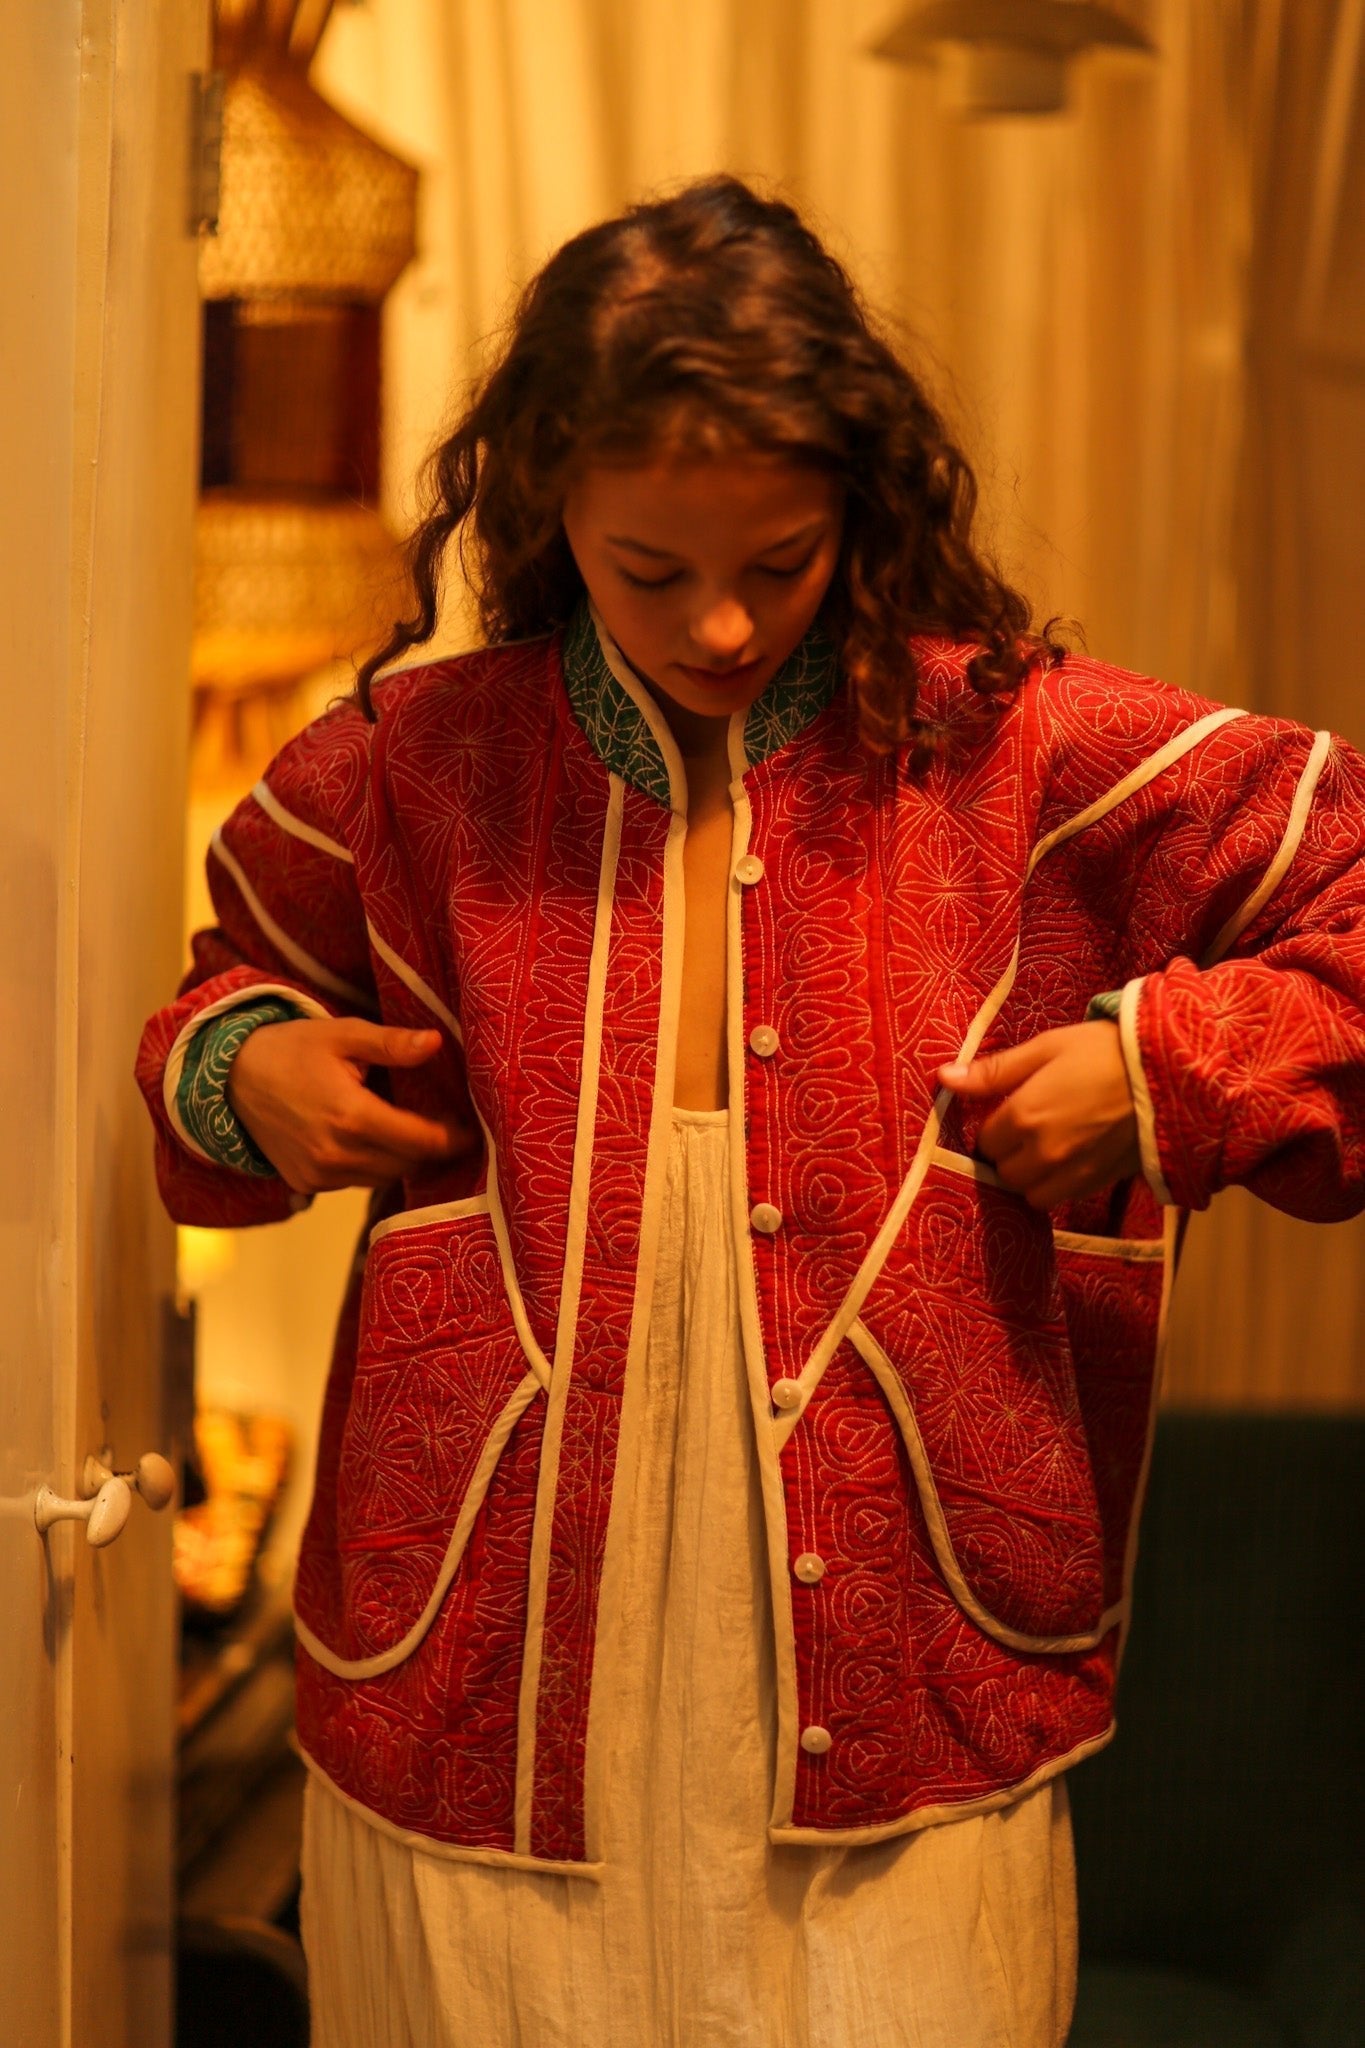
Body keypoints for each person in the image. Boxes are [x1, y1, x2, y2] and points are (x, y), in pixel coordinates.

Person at [137, 176, 1365, 2047]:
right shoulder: (418, 767)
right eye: (651, 570)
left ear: (858, 508)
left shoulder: (1016, 752)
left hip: (910, 1676)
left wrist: (1159, 1072)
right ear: (545, 505)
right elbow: (211, 1001)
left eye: (779, 561)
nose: (717, 624)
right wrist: (249, 1073)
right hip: (475, 1673)